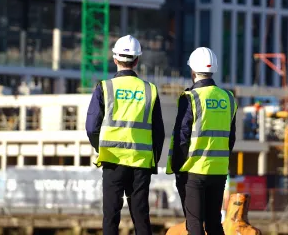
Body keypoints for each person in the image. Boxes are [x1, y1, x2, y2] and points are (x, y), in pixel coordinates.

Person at [86, 35, 165, 235]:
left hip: (112, 160)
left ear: (114, 59)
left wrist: (100, 148)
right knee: (141, 216)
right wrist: (152, 158)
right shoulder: (150, 90)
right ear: (137, 60)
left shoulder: (105, 88)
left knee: (111, 216)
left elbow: (91, 127)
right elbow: (159, 132)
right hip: (140, 162)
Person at [166, 47, 237, 235]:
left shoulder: (190, 98)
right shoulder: (228, 98)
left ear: (193, 70)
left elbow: (182, 137)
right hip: (219, 170)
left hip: (194, 171)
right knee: (214, 223)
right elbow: (231, 138)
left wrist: (178, 166)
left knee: (194, 224)